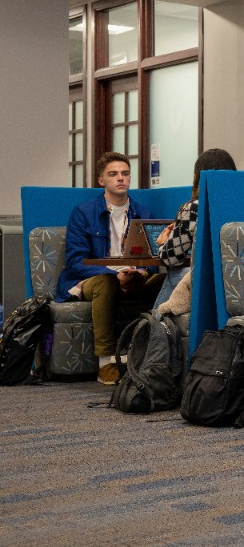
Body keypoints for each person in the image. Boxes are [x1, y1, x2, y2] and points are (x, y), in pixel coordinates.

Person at [55, 152, 164, 386]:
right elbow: (76, 262)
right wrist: (116, 275)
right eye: (113, 174)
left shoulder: (144, 214)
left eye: (125, 173)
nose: (120, 178)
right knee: (107, 282)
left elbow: (154, 259)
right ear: (101, 181)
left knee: (167, 280)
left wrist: (144, 272)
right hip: (97, 279)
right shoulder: (83, 213)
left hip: (134, 277)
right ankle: (106, 362)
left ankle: (153, 353)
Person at [152, 148, 238, 308]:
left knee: (174, 274)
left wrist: (162, 243)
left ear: (199, 175)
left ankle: (157, 323)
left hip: (209, 279)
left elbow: (170, 258)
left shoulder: (194, 208)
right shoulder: (242, 204)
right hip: (238, 278)